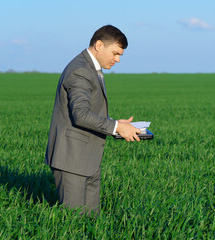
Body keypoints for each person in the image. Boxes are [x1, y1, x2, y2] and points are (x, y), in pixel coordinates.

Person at [45, 25, 141, 216]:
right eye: (115, 53)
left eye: (120, 55)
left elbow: (86, 112)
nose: (118, 59)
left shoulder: (90, 67)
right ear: (99, 45)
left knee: (91, 222)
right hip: (72, 160)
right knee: (73, 224)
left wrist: (115, 123)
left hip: (87, 159)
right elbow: (80, 115)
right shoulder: (80, 70)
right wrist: (116, 127)